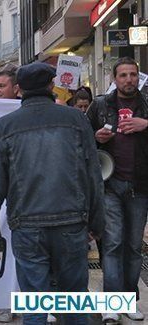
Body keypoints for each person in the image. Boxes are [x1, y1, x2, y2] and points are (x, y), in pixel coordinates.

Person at [0, 62, 104, 325]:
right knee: (74, 303)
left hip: (27, 225)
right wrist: (96, 223)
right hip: (71, 221)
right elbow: (94, 176)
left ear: (20, 89)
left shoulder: (4, 126)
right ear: (50, 86)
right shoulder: (76, 120)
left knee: (34, 304)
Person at [86, 57, 148, 323]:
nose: (128, 80)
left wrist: (147, 125)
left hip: (141, 185)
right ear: (114, 79)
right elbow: (81, 138)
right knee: (112, 245)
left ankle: (130, 298)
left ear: (138, 77)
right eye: (123, 75)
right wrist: (95, 137)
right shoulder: (100, 104)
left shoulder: (146, 105)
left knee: (134, 247)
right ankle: (112, 302)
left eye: (133, 75)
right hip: (109, 184)